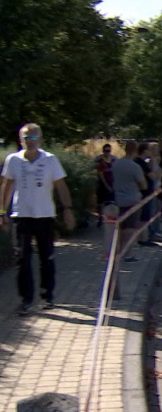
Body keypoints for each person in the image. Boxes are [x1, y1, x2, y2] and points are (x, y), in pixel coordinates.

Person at [0, 123, 76, 314]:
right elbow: (6, 186)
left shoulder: (50, 160)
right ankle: (26, 299)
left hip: (44, 215)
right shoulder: (13, 160)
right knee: (22, 258)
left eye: (34, 137)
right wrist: (2, 212)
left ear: (40, 139)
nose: (30, 141)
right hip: (21, 216)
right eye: (26, 137)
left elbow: (61, 186)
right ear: (21, 140)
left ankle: (47, 295)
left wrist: (67, 209)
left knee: (46, 257)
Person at [112, 141, 147, 262]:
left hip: (118, 199)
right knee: (130, 228)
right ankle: (127, 253)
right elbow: (143, 185)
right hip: (132, 199)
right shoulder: (135, 167)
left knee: (120, 227)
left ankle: (118, 251)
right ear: (135, 151)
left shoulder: (116, 164)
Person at [94, 143, 116, 227]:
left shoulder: (114, 159)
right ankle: (100, 218)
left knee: (111, 202)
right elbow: (100, 173)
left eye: (109, 151)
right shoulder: (99, 160)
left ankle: (110, 219)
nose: (107, 152)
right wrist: (106, 185)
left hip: (112, 183)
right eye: (106, 151)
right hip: (101, 184)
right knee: (100, 202)